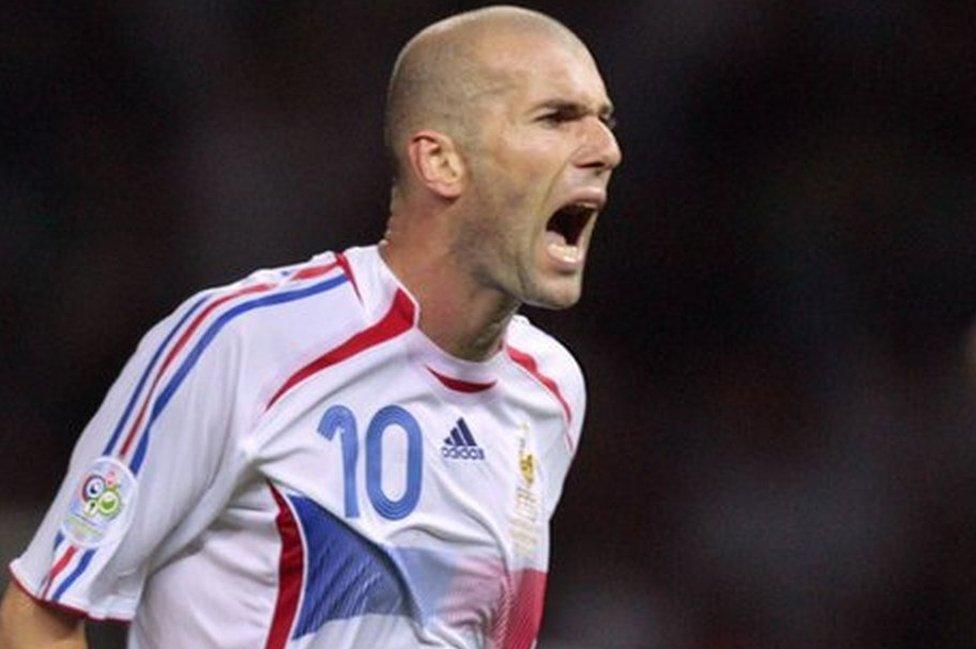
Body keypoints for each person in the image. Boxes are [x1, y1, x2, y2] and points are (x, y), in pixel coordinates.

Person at [0, 4, 621, 648]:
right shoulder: (244, 340)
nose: (607, 150)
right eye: (557, 118)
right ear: (440, 162)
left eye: (604, 121)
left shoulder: (552, 393)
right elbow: (39, 614)